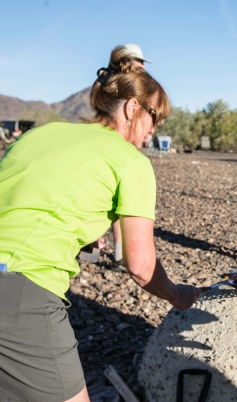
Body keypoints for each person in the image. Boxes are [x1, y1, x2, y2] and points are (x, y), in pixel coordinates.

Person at [0, 56, 201, 402]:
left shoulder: (41, 134)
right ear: (132, 108)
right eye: (154, 117)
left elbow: (17, 206)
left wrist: (78, 236)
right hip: (13, 293)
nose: (154, 130)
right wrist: (178, 295)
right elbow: (140, 265)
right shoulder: (130, 160)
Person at [106, 43, 150, 271]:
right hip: (122, 143)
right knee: (123, 203)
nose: (143, 66)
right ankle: (125, 257)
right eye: (140, 62)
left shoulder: (105, 83)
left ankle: (119, 255)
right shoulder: (134, 86)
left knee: (113, 203)